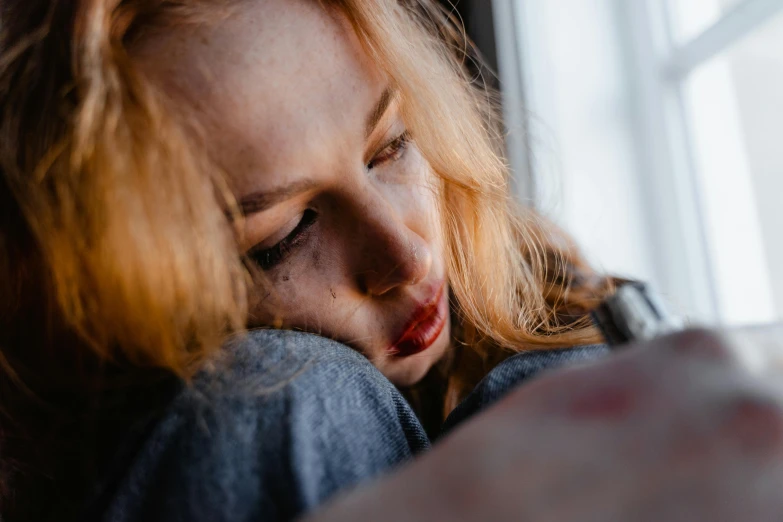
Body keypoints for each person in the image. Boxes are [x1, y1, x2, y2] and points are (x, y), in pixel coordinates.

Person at [3, 0, 783, 521]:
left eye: (393, 145)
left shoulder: (559, 306)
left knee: (544, 382)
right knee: (281, 393)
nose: (406, 255)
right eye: (282, 235)